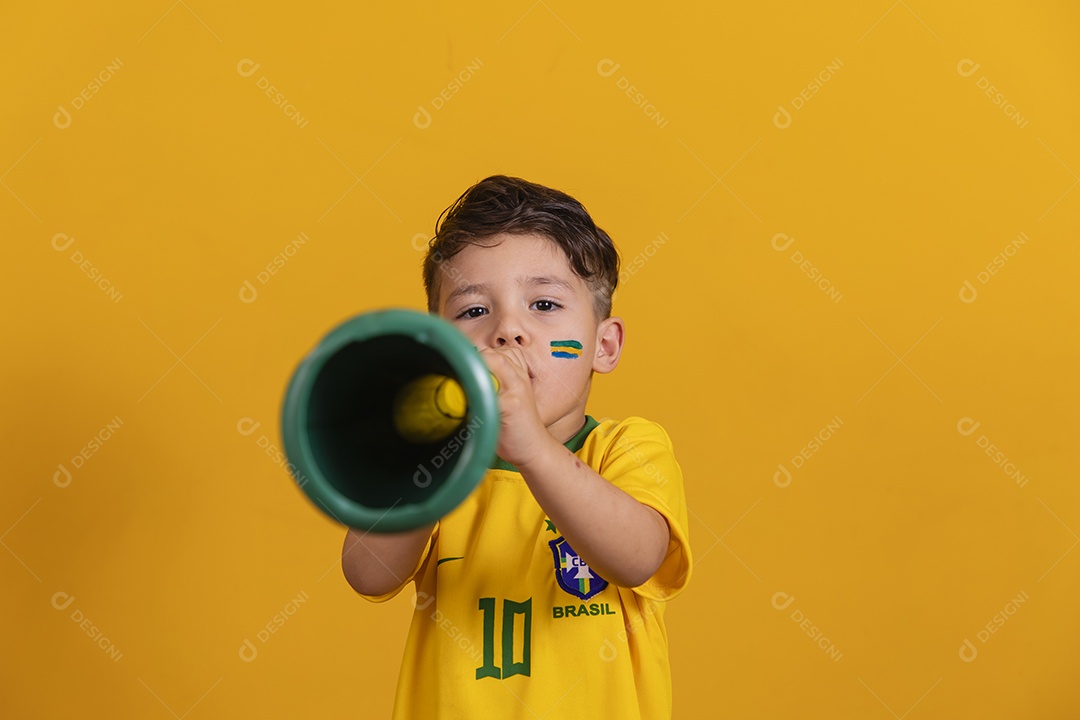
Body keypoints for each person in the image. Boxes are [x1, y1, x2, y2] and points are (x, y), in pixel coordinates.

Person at [341, 175, 692, 719]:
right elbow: (368, 573)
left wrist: (531, 447)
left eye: (545, 304)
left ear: (603, 345)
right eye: (474, 312)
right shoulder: (438, 467)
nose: (508, 331)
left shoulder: (627, 446)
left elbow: (638, 556)